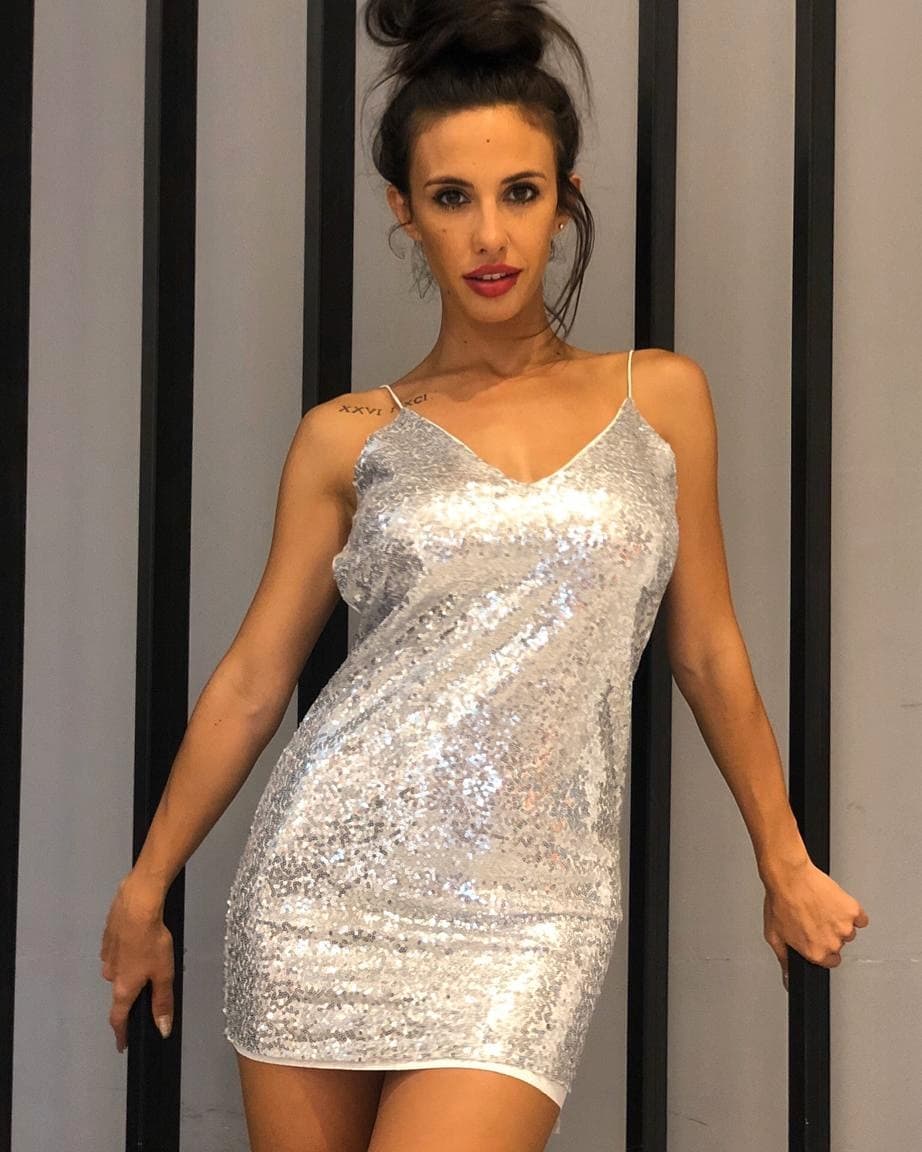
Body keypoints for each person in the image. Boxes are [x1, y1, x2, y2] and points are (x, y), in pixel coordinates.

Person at [100, 2, 869, 1149]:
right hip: (321, 886)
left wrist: (783, 856)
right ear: (404, 212)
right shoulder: (346, 437)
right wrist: (146, 883)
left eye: (519, 192)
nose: (490, 233)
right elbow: (256, 679)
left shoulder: (659, 400)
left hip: (531, 908)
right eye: (452, 197)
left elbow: (706, 650)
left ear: (564, 200)